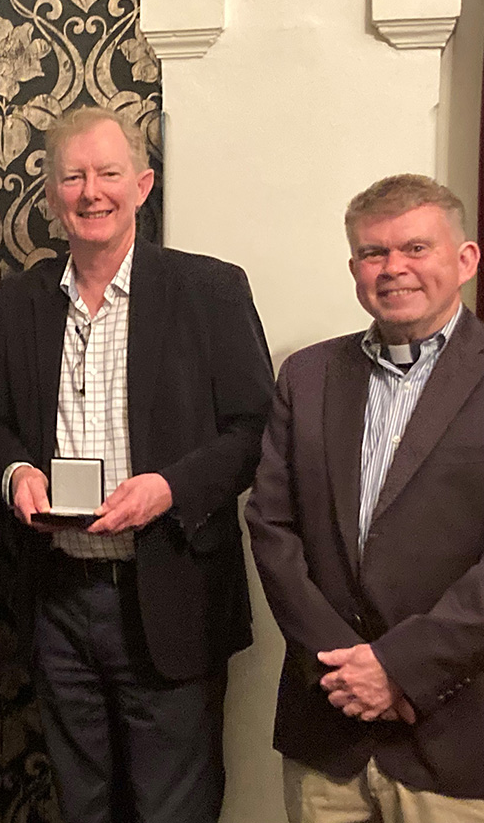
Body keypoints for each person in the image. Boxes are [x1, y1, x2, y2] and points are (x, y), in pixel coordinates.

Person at [0, 106, 274, 823]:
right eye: (73, 176)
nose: (91, 192)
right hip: (59, 598)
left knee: (173, 808)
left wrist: (170, 489)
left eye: (108, 173)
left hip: (168, 594)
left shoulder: (209, 290)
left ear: (141, 185)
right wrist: (18, 473)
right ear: (51, 194)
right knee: (83, 806)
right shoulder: (22, 301)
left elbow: (255, 428)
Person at [246, 174, 484, 822]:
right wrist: (348, 674)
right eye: (374, 253)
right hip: (328, 728)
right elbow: (271, 526)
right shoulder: (308, 374)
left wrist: (400, 670)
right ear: (354, 267)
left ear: (464, 260)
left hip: (455, 739)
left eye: (415, 248)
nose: (393, 268)